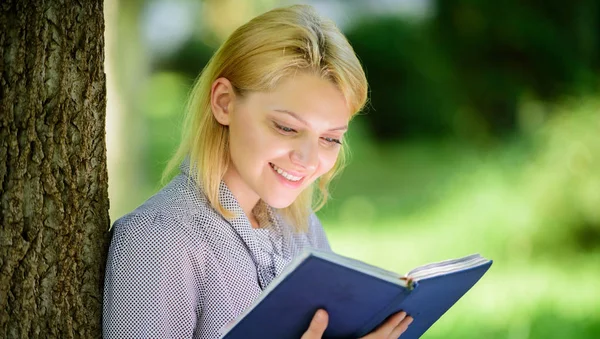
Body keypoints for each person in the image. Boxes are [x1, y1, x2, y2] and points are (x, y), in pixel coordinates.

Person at [102, 4, 413, 338]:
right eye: (286, 128)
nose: (308, 159)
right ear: (224, 102)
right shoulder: (157, 238)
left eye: (330, 138)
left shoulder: (302, 228)